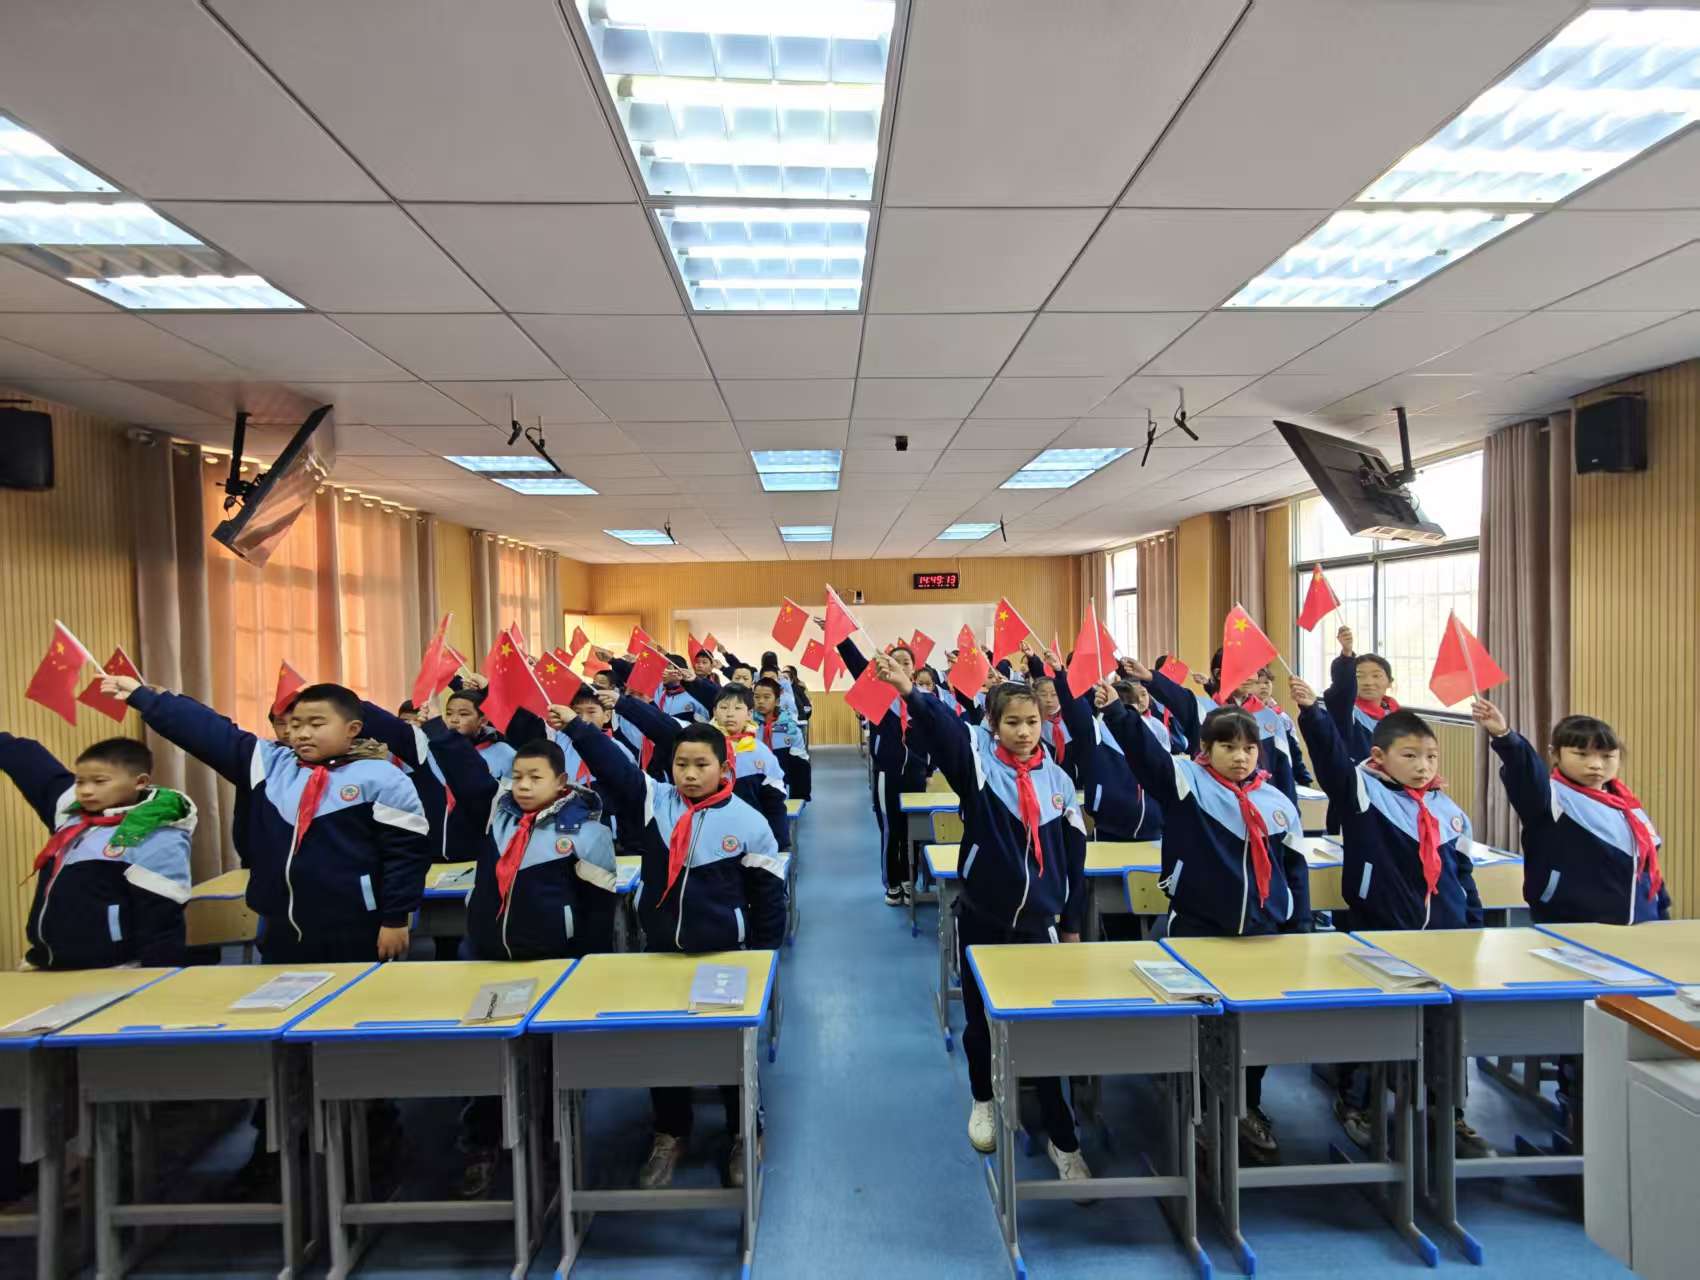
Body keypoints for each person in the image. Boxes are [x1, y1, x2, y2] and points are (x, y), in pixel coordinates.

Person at [877, 654, 1092, 1182]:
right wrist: (911, 693)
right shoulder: (978, 769)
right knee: (979, 1022)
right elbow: (948, 732)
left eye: (1032, 721)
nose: (1023, 732)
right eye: (1012, 722)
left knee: (1043, 1028)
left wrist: (1070, 925)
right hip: (981, 916)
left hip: (1038, 925)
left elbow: (1075, 860)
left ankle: (1062, 1137)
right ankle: (983, 1099)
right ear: (993, 724)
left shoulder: (1058, 781)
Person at [555, 710, 784, 1191]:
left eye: (702, 765)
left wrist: (763, 959)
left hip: (725, 953)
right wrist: (578, 726)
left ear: (725, 768)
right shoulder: (655, 802)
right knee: (663, 1047)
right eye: (681, 764)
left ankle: (744, 1129)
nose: (690, 774)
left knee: (731, 1053)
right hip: (660, 949)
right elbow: (613, 765)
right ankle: (671, 1130)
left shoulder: (749, 822)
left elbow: (768, 899)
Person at [1100, 679, 1308, 1166]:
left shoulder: (1276, 801)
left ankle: (1245, 1106)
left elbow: (1294, 870)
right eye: (1228, 747)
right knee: (1201, 1028)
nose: (1240, 757)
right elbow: (1146, 757)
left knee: (1254, 1030)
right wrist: (1119, 714)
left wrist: (1298, 929)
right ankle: (1199, 1112)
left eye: (1249, 748)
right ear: (1206, 748)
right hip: (1198, 929)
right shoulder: (1186, 782)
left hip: (1263, 935)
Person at [1289, 678, 1491, 1158]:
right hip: (1377, 932)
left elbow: (1463, 874)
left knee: (1445, 1027)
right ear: (1379, 757)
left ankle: (1448, 1109)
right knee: (1371, 1023)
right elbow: (1330, 760)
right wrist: (1313, 713)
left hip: (1444, 939)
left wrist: (1472, 925)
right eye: (1410, 756)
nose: (1423, 767)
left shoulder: (1448, 810)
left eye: (1431, 757)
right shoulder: (1362, 792)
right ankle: (1356, 1101)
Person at [106, 676, 433, 964]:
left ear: (352, 729)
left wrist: (395, 919)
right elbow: (210, 731)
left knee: (354, 1008)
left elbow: (406, 856)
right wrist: (146, 698)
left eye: (316, 724)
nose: (301, 733)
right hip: (280, 928)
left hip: (358, 927)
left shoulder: (383, 777)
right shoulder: (269, 765)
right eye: (295, 725)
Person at [427, 731, 619, 1195]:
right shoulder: (497, 817)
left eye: (535, 777)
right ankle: (481, 1142)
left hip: (554, 963)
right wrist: (437, 731)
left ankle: (554, 1147)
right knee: (486, 1058)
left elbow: (598, 913)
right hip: (491, 960)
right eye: (517, 777)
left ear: (562, 782)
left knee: (552, 1062)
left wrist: (589, 968)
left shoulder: (588, 832)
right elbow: (467, 775)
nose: (524, 786)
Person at [0, 731, 194, 969]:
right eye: (80, 782)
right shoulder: (73, 811)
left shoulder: (156, 835)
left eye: (99, 781)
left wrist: (158, 978)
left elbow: (162, 922)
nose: (86, 790)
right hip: (49, 966)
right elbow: (31, 764)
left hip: (116, 970)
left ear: (140, 782)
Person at [1472, 699, 1669, 924]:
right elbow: (1524, 771)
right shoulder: (1550, 798)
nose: (1596, 764)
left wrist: (1661, 911)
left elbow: (1648, 868)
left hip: (1642, 924)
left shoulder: (1629, 806)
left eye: (1607, 756)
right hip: (1571, 924)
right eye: (1582, 754)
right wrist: (1505, 736)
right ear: (1555, 754)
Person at [614, 681, 791, 851]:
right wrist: (623, 704)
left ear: (749, 713)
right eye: (723, 707)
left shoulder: (762, 754)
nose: (730, 714)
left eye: (738, 708)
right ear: (714, 711)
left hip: (746, 839)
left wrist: (779, 844)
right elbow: (661, 724)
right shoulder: (697, 741)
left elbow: (774, 803)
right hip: (699, 836)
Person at [836, 637, 928, 904]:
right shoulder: (878, 695)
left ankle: (911, 879)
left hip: (917, 775)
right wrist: (842, 639)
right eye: (895, 661)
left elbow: (937, 736)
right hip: (887, 775)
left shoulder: (923, 700)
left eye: (906, 662)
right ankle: (893, 882)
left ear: (914, 668)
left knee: (915, 831)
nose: (901, 666)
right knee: (891, 830)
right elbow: (857, 665)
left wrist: (931, 769)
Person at [753, 677, 811, 802]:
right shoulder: (748, 725)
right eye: (756, 697)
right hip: (755, 774)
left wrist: (799, 798)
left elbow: (801, 764)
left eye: (766, 697)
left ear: (777, 701)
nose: (761, 701)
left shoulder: (790, 728)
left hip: (781, 773)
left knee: (800, 762)